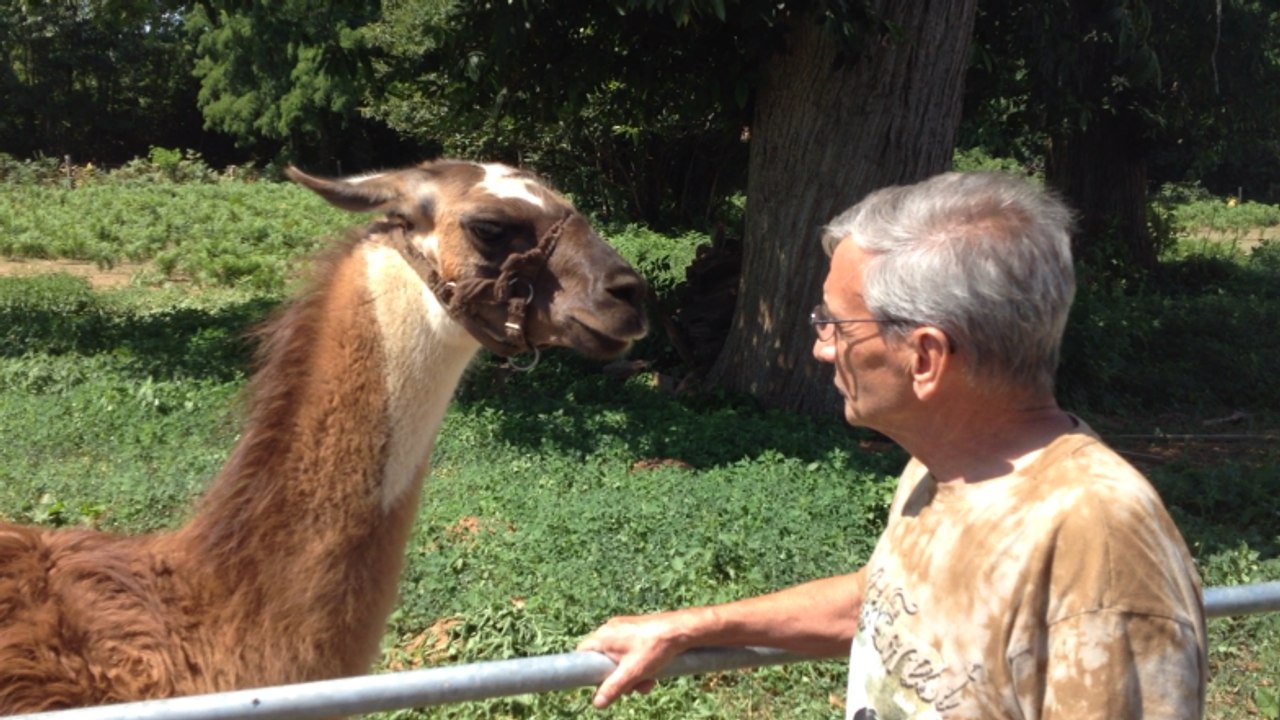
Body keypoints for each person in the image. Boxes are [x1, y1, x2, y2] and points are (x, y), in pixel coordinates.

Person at [578, 172, 1207, 718]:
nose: (821, 346)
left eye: (835, 324)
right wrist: (692, 627)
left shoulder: (1099, 546)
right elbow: (890, 604)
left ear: (925, 357)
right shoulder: (943, 467)